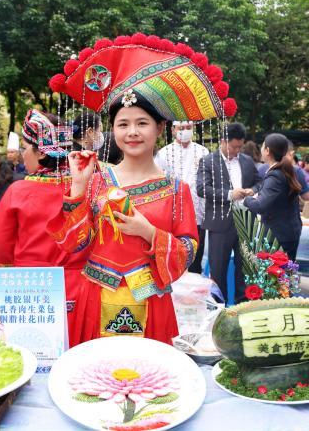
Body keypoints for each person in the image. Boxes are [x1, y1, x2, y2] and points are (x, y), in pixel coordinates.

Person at [47, 34, 237, 345]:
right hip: (96, 296)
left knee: (150, 373)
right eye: (123, 124)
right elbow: (71, 244)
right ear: (113, 130)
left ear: (160, 128)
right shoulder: (96, 180)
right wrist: (78, 188)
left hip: (151, 300)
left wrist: (149, 232)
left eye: (142, 123)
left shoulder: (176, 190)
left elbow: (187, 253)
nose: (132, 132)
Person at [0, 109, 88, 348]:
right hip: (81, 287)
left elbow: (2, 251)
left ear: (41, 152)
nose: (22, 154)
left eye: (25, 147)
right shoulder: (88, 186)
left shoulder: (18, 191)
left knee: (32, 354)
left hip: (30, 292)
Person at [197, 123, 261, 304]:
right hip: (220, 224)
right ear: (223, 141)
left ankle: (243, 306)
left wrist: (253, 190)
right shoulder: (208, 161)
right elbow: (202, 189)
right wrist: (229, 195)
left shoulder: (247, 160)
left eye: (240, 146)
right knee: (218, 271)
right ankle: (220, 308)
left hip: (245, 221)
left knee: (245, 270)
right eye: (234, 147)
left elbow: (260, 182)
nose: (237, 150)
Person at [155, 120, 209, 274]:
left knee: (196, 254)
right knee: (174, 253)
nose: (185, 131)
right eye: (181, 128)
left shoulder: (203, 152)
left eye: (188, 128)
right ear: (173, 130)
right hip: (172, 212)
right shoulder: (163, 153)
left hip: (197, 211)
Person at [243, 133, 303, 260]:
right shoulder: (283, 170)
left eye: (262, 146)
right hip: (288, 232)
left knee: (277, 271)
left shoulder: (275, 175)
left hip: (278, 235)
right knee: (287, 270)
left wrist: (246, 199)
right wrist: (254, 191)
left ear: (267, 151)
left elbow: (260, 206)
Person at [0, 133, 25, 203]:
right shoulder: (3, 167)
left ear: (18, 153)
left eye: (12, 152)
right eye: (8, 152)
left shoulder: (23, 168)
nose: (10, 154)